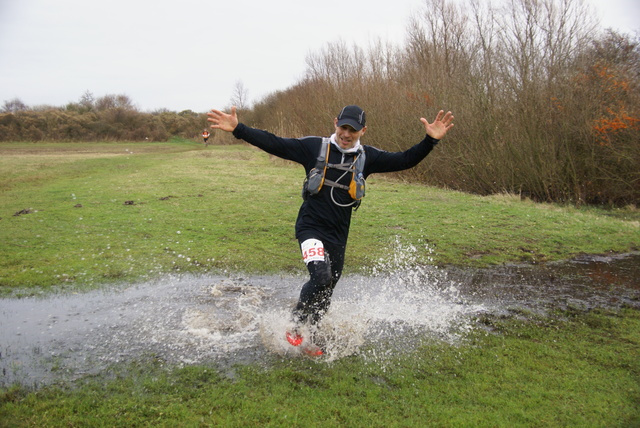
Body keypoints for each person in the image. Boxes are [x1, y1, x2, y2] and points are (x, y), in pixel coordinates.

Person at [207, 105, 454, 353]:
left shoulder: (368, 157)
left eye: (353, 130)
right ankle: (295, 324)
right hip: (310, 228)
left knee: (328, 289)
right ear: (336, 123)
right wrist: (239, 129)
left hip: (337, 235)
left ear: (363, 131)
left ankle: (311, 336)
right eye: (343, 127)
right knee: (320, 276)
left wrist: (430, 141)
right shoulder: (314, 147)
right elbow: (275, 143)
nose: (346, 134)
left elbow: (405, 159)